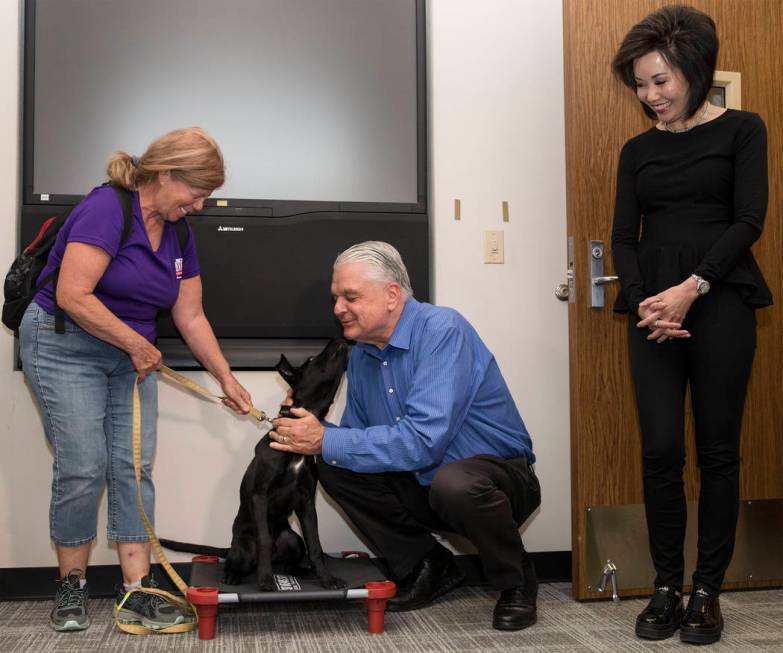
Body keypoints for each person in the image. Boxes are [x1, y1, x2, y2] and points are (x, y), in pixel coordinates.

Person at [19, 127, 253, 632]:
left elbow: (190, 316)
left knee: (132, 466)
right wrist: (135, 343)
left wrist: (226, 379)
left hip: (130, 354)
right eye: (196, 193)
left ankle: (137, 591)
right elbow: (73, 295)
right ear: (165, 175)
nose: (201, 206)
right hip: (65, 344)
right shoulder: (107, 209)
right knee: (84, 463)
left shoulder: (179, 232)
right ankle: (71, 588)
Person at [269, 241, 540, 631]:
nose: (338, 309)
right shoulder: (362, 354)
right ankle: (427, 565)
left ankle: (516, 580)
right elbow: (359, 440)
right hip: (426, 484)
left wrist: (324, 438)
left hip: (496, 483)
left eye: (351, 296)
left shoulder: (443, 330)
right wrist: (309, 428)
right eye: (336, 298)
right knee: (334, 463)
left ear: (392, 295)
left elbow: (423, 442)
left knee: (455, 483)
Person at [611, 6, 771, 645]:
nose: (651, 96)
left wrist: (691, 289)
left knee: (717, 452)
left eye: (661, 81)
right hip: (654, 312)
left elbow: (748, 220)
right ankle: (665, 587)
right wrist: (650, 301)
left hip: (720, 301)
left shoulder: (743, 131)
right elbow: (625, 236)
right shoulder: (637, 150)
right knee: (659, 452)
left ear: (695, 71)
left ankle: (707, 591)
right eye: (642, 85)